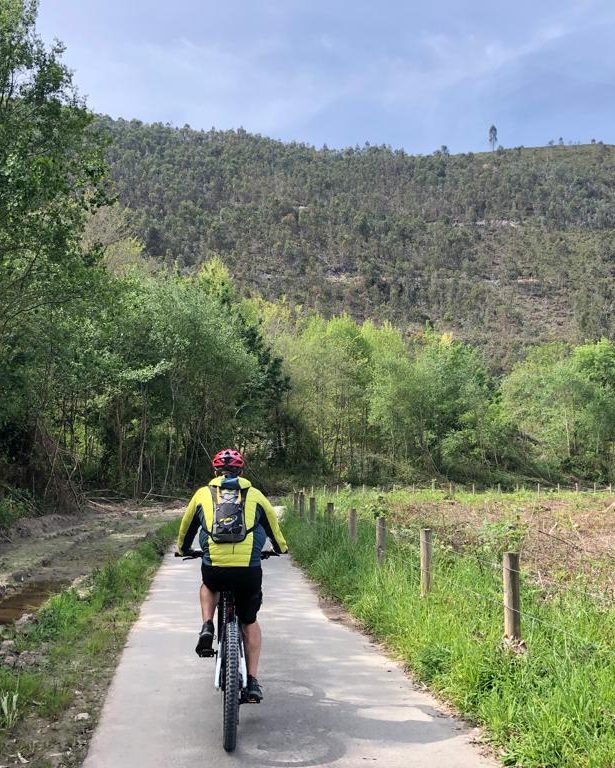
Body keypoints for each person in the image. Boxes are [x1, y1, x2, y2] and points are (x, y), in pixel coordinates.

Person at [176, 448, 287, 703]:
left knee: (208, 584)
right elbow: (273, 526)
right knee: (249, 621)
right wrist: (280, 548)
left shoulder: (203, 494)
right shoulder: (255, 495)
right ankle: (254, 682)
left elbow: (186, 527)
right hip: (248, 571)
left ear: (215, 472)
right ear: (242, 471)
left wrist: (183, 549)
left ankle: (207, 625)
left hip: (215, 569)